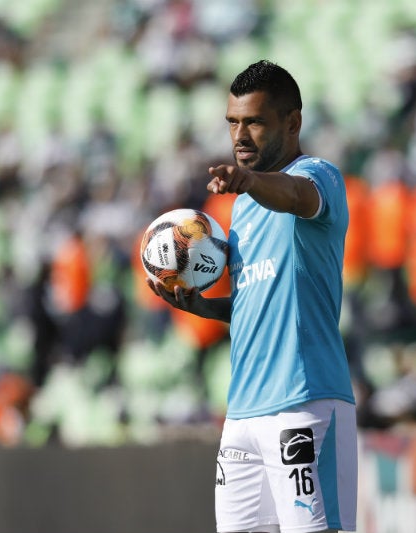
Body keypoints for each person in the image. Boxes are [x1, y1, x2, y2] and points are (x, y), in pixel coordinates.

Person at [147, 60, 357, 533]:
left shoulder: (319, 178)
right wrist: (202, 307)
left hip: (305, 404)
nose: (240, 135)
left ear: (292, 122)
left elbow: (296, 196)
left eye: (255, 122)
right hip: (243, 413)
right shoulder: (241, 206)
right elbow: (257, 299)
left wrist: (250, 182)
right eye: (233, 123)